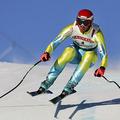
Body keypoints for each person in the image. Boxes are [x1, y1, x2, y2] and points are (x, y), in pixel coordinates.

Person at [38, 9, 108, 97]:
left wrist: (102, 67)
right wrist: (47, 52)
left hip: (90, 58)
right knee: (68, 50)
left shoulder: (96, 33)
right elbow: (56, 41)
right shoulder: (72, 28)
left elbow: (103, 53)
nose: (82, 25)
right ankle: (46, 83)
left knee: (89, 55)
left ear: (91, 22)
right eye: (79, 21)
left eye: (85, 23)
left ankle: (70, 86)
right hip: (76, 54)